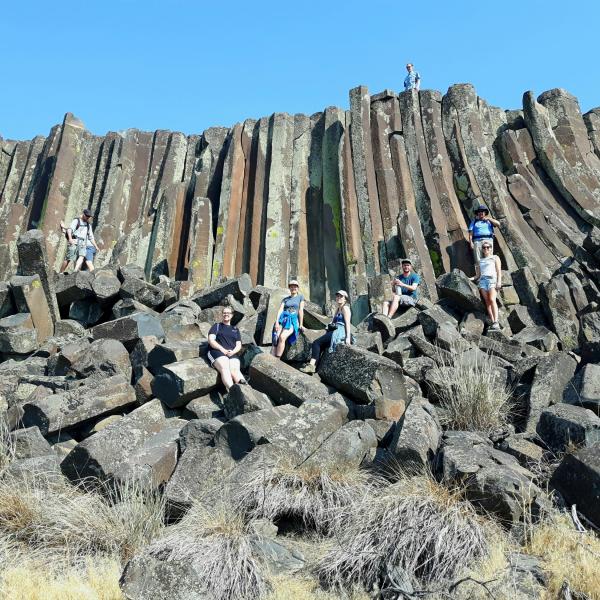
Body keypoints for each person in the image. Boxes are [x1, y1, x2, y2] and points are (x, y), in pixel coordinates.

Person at [300, 290, 352, 375]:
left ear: (345, 299)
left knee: (316, 343)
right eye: (337, 296)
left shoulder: (345, 308)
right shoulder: (338, 308)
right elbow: (332, 322)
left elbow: (347, 323)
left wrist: (348, 338)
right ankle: (313, 367)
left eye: (341, 296)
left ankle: (311, 365)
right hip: (334, 329)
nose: (338, 298)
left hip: (340, 331)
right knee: (321, 345)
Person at [207, 306, 248, 390]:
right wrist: (223, 350)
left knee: (235, 369)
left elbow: (238, 345)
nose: (226, 314)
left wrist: (232, 352)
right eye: (224, 313)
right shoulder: (217, 326)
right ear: (222, 314)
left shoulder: (235, 329)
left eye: (228, 313)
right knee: (225, 366)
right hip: (217, 351)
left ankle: (246, 390)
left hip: (231, 353)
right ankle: (232, 390)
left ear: (232, 315)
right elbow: (211, 340)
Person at [271, 279, 305, 359]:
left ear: (298, 288)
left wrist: (301, 324)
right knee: (275, 338)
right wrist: (276, 322)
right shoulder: (285, 299)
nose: (293, 288)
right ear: (289, 288)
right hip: (282, 319)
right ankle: (272, 358)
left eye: (295, 286)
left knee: (282, 337)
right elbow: (280, 310)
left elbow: (300, 310)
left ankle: (277, 358)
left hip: (292, 320)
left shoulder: (300, 297)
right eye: (291, 286)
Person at [474, 242, 502, 330]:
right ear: (482, 249)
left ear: (491, 248)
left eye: (488, 247)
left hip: (492, 280)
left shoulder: (495, 258)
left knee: (492, 299)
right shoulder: (480, 261)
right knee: (487, 302)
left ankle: (496, 322)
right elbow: (477, 275)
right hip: (482, 281)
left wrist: (499, 282)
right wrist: (467, 278)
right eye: (484, 247)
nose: (486, 249)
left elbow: (498, 271)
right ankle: (493, 321)